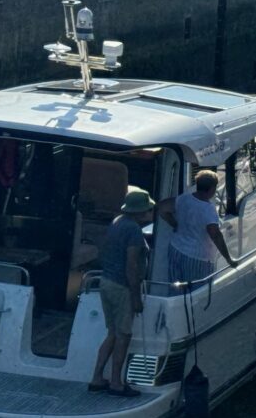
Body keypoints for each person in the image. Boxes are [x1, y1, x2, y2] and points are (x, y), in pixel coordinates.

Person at [89, 186, 155, 397]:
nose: (150, 212)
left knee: (112, 333)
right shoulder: (133, 230)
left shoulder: (117, 222)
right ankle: (116, 383)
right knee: (123, 335)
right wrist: (136, 297)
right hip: (122, 287)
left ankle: (97, 378)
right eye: (148, 209)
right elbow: (131, 265)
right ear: (140, 211)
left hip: (106, 282)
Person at [164, 170, 237, 289]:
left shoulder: (183, 199)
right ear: (212, 189)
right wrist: (229, 259)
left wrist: (175, 224)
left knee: (176, 288)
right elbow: (215, 235)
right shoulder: (208, 209)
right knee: (198, 291)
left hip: (176, 249)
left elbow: (161, 208)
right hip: (197, 258)